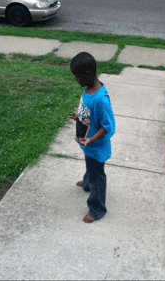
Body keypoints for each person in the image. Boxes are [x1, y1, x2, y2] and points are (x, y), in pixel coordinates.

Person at [68, 52, 115, 223]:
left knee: (97, 176)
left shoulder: (100, 100)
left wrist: (90, 140)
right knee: (90, 166)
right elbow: (89, 115)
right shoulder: (88, 90)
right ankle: (87, 183)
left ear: (88, 75)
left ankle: (97, 209)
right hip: (88, 145)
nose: (76, 80)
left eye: (78, 77)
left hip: (95, 146)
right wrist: (78, 116)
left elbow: (107, 126)